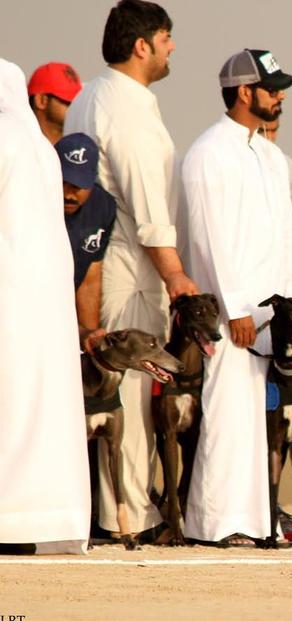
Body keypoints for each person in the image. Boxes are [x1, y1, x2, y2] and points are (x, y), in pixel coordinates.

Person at [64, 0, 198, 539]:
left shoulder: (90, 95)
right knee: (133, 397)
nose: (171, 48)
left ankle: (112, 511)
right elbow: (147, 208)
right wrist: (176, 277)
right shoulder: (126, 106)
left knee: (108, 394)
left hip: (103, 260)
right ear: (142, 45)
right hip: (129, 266)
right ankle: (132, 517)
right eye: (166, 38)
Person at [181, 49, 292, 546]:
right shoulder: (209, 151)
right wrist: (234, 308)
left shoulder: (271, 156)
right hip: (232, 315)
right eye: (272, 87)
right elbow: (210, 237)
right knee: (228, 413)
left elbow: (288, 234)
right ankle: (216, 523)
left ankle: (254, 522)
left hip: (271, 313)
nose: (280, 96)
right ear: (245, 91)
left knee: (260, 420)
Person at [0, 58, 90, 555]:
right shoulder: (40, 146)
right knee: (42, 410)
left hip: (10, 295)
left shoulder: (5, 137)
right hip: (48, 303)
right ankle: (41, 521)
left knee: (10, 407)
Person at [56, 132, 117, 346]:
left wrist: (89, 337)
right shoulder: (27, 201)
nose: (68, 194)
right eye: (63, 182)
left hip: (63, 311)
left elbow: (90, 279)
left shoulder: (103, 207)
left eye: (78, 185)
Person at [27, 62, 82, 144]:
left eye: (79, 101)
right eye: (68, 101)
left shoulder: (81, 148)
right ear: (41, 101)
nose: (77, 107)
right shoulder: (16, 143)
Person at [255, 117, 292, 214]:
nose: (269, 136)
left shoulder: (287, 164)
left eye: (274, 130)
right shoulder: (241, 162)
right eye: (262, 130)